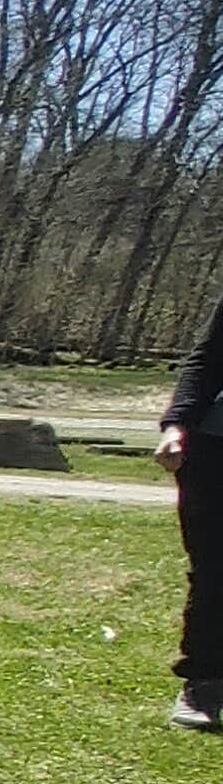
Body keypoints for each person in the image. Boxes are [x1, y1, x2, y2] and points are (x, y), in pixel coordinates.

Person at [172, 278, 223, 730]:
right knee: (214, 572)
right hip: (215, 446)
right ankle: (203, 684)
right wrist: (177, 425)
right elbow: (207, 360)